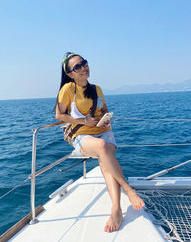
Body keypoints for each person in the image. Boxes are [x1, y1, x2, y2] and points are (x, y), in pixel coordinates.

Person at [55, 52, 145, 232]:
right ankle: (128, 189)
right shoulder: (67, 90)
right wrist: (83, 121)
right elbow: (59, 115)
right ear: (70, 74)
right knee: (103, 149)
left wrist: (106, 118)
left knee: (106, 162)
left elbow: (104, 109)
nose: (83, 68)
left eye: (84, 63)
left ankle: (116, 210)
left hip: (104, 132)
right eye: (77, 67)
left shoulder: (97, 89)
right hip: (82, 136)